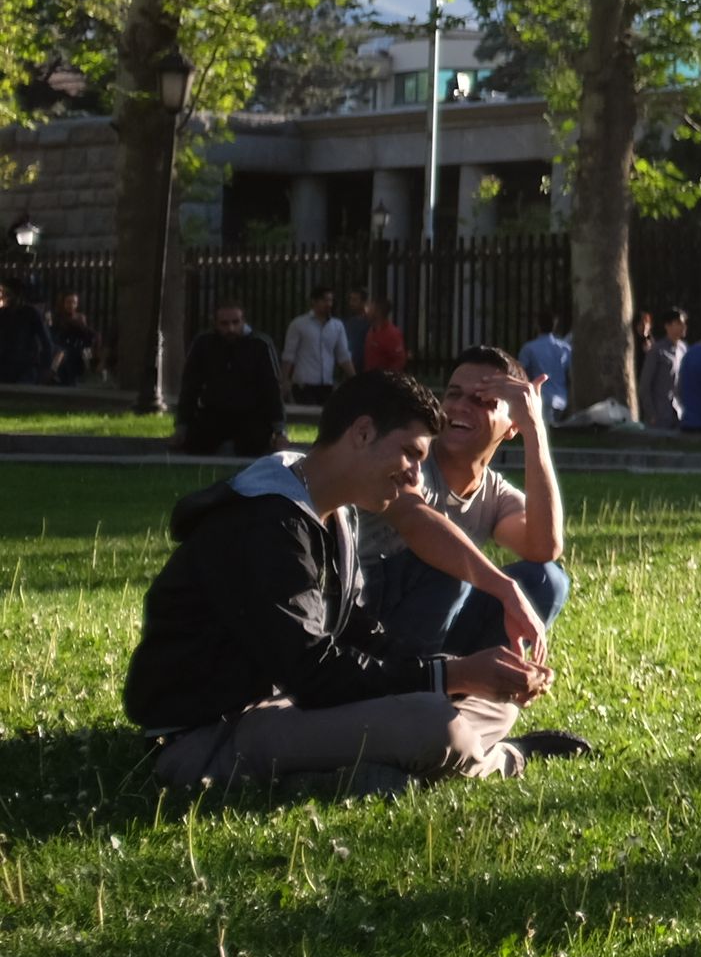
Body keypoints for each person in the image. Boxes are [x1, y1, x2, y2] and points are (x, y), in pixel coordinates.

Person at [121, 369, 564, 793]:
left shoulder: (334, 510)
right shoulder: (267, 521)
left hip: (288, 708)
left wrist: (462, 676)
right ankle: (503, 757)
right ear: (363, 432)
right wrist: (454, 673)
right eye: (410, 452)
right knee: (434, 724)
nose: (414, 475)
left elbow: (357, 632)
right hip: (212, 734)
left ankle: (385, 764)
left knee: (473, 707)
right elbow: (315, 673)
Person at [350, 350, 577, 695]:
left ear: (512, 424)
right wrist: (504, 587)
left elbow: (544, 546)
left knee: (547, 580)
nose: (458, 407)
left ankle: (460, 695)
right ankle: (408, 696)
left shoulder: (495, 493)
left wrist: (535, 430)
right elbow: (418, 521)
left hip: (433, 636)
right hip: (360, 634)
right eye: (453, 394)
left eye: (482, 400)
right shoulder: (410, 457)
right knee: (456, 565)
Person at [176, 303, 286, 456]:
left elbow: (272, 388)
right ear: (215, 324)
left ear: (243, 321)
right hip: (214, 412)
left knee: (255, 445)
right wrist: (182, 426)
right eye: (225, 324)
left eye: (236, 322)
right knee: (196, 443)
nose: (231, 329)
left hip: (251, 415)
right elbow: (190, 386)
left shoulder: (259, 344)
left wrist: (279, 431)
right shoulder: (204, 344)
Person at [280, 286, 352, 425]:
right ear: (314, 302)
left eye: (330, 300)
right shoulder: (299, 324)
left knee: (326, 420)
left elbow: (343, 355)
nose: (328, 304)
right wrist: (284, 380)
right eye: (324, 300)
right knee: (306, 421)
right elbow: (289, 354)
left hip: (326, 384)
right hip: (304, 383)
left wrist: (354, 378)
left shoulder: (337, 326)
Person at [637, 306, 689, 432]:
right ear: (668, 326)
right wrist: (651, 414)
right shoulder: (657, 351)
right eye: (678, 323)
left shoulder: (684, 349)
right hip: (659, 414)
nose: (683, 327)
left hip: (678, 412)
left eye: (684, 323)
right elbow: (645, 385)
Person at [518, 317, 574, 423]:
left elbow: (520, 374)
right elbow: (570, 375)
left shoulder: (529, 348)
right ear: (555, 326)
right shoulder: (564, 348)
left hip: (539, 397)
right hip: (561, 399)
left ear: (537, 326)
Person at [0, 278, 51, 385]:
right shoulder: (3, 314)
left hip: (25, 366)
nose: (3, 296)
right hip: (5, 365)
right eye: (3, 293)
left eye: (7, 293)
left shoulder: (31, 313)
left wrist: (46, 368)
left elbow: (46, 341)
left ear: (17, 295)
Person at [47, 291, 99, 386]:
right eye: (68, 302)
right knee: (61, 352)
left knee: (86, 351)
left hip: (77, 347)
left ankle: (89, 369)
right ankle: (52, 371)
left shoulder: (80, 317)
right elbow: (53, 333)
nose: (71, 305)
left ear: (77, 304)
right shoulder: (58, 317)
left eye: (74, 302)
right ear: (63, 303)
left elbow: (86, 334)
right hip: (62, 346)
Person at [357, 294, 408, 375]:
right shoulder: (371, 331)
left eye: (370, 308)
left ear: (378, 312)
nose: (367, 311)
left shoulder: (392, 334)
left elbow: (399, 361)